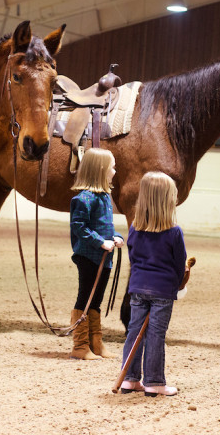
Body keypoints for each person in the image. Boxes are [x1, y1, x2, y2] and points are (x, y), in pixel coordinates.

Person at [119, 172, 187, 397]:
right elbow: (179, 264)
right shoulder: (174, 232)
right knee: (156, 335)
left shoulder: (134, 229)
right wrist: (178, 284)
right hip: (162, 291)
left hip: (137, 288)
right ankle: (154, 381)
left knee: (134, 332)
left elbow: (133, 257)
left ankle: (129, 379)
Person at [69, 148, 124, 360]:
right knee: (85, 297)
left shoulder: (104, 198)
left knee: (97, 300)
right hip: (88, 256)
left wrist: (115, 236)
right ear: (101, 169)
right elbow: (79, 227)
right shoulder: (83, 199)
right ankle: (80, 345)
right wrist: (100, 242)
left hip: (103, 256)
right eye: (112, 167)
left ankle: (95, 343)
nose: (115, 170)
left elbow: (105, 227)